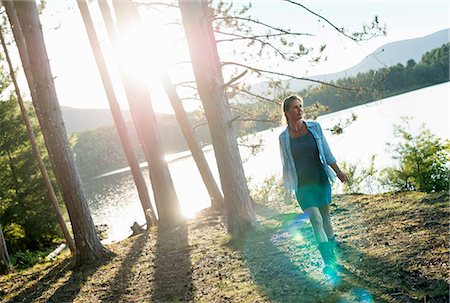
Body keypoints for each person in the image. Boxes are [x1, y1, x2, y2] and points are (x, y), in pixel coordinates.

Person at [279, 94, 348, 277]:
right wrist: (287, 189)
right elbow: (286, 164)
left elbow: (326, 151)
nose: (300, 109)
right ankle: (328, 263)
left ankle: (332, 257)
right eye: (295, 107)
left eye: (300, 106)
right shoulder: (283, 137)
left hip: (320, 178)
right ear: (287, 112)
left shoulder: (315, 127)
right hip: (302, 186)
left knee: (326, 218)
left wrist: (338, 171)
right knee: (315, 219)